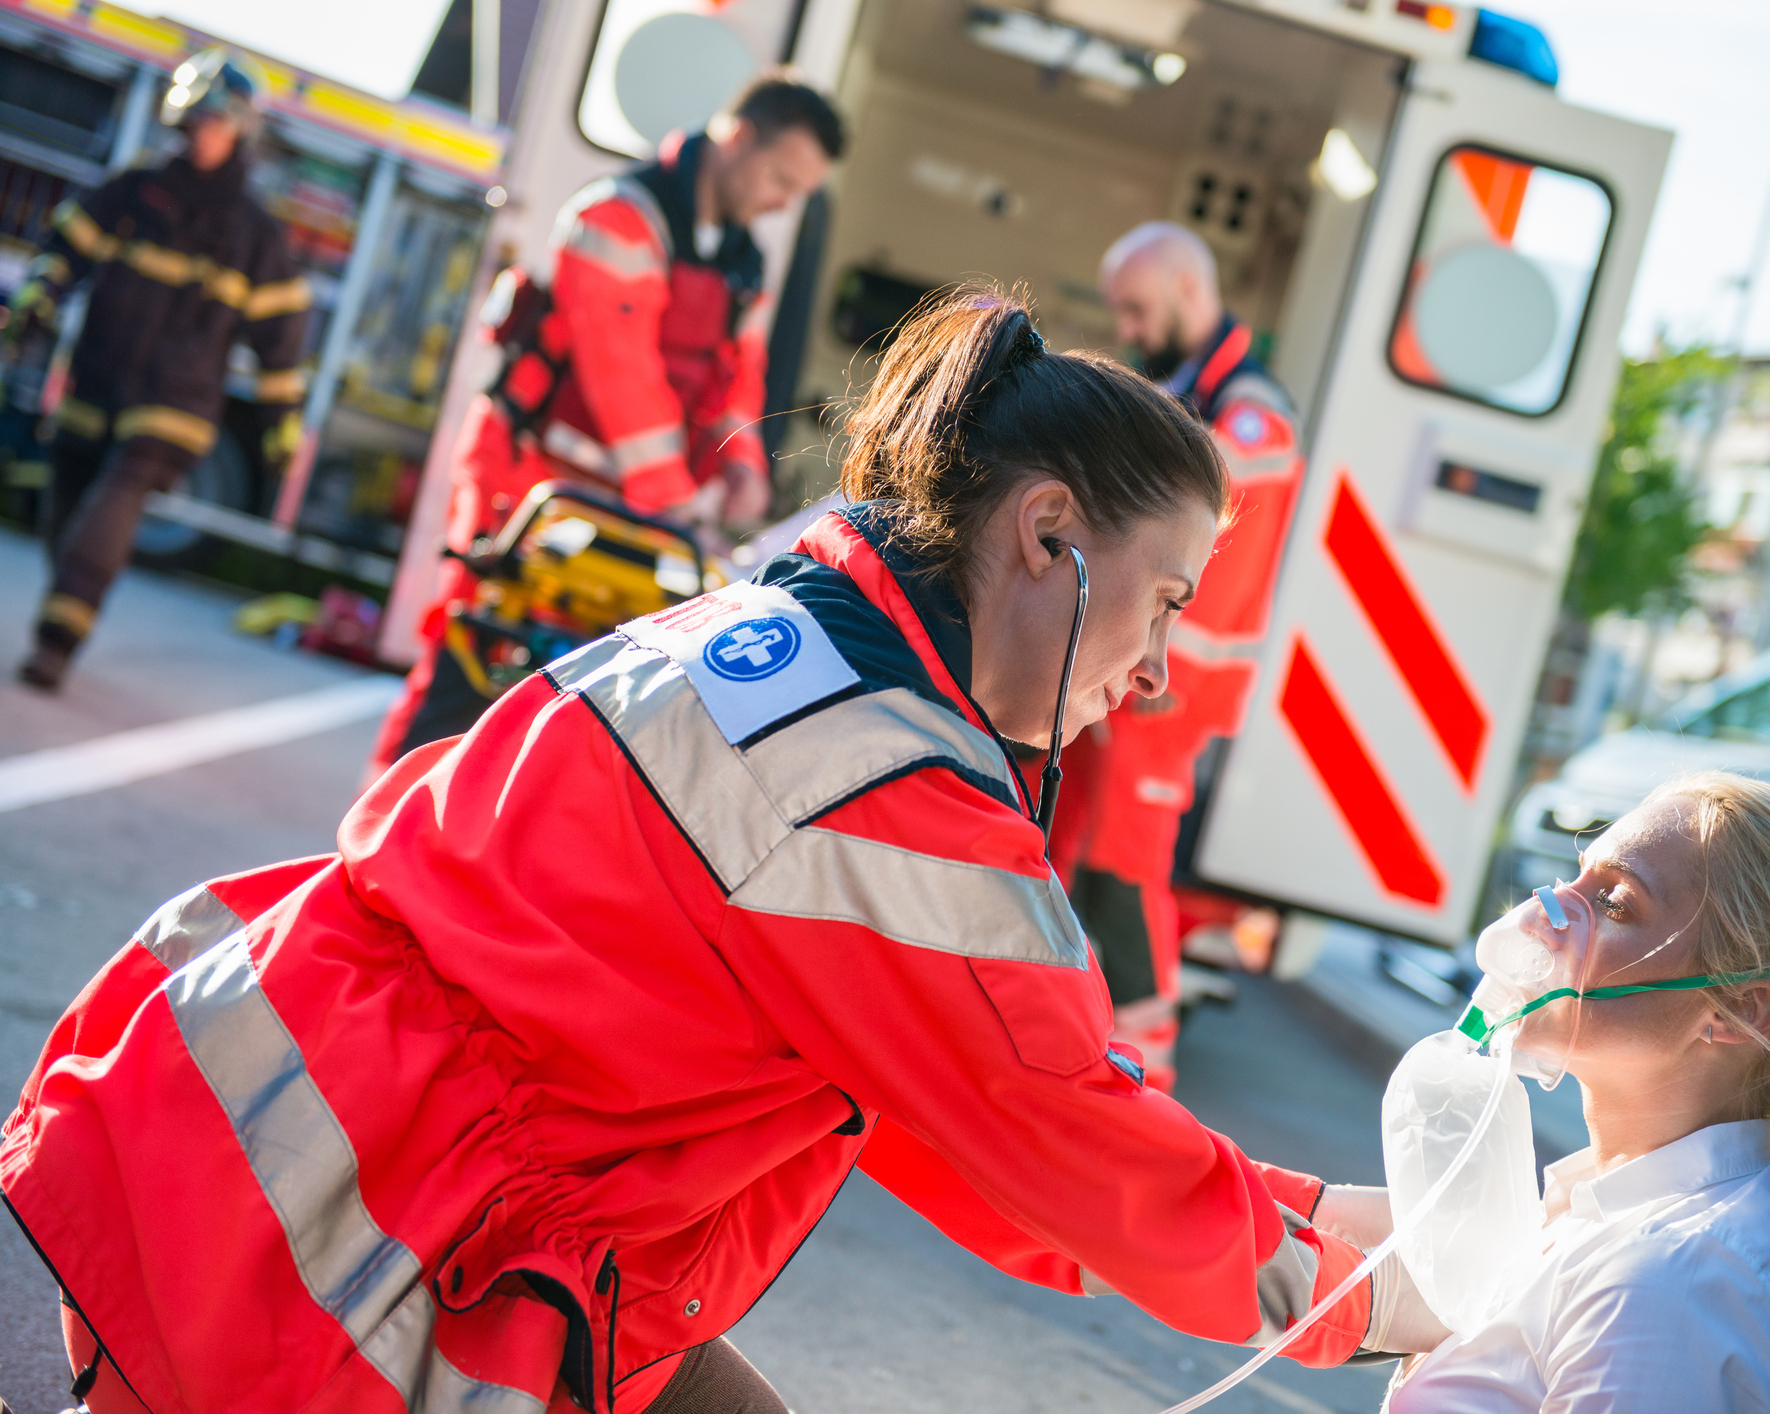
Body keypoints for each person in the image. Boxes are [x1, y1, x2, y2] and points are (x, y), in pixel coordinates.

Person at [2, 289, 1427, 1413]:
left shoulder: (795, 625)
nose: (1164, 667)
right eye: (1164, 599)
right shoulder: (893, 795)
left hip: (262, 1125)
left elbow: (994, 1129)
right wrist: (1396, 1296)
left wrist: (1345, 1219)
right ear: (1049, 530)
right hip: (370, 1244)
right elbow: (1075, 1142)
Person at [364, 73, 842, 776]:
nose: (783, 203)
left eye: (798, 192)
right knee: (473, 652)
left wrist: (742, 463)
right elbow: (621, 376)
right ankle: (389, 816)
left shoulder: (744, 261)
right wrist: (677, 504)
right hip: (528, 475)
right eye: (780, 179)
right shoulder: (617, 218)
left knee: (566, 691)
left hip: (620, 499)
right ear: (738, 138)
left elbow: (738, 372)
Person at [1384, 770, 1770, 1411]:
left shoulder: (1672, 1281)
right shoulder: (1608, 1204)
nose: (1545, 914)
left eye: (1614, 902)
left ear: (1739, 1010)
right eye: (1576, 878)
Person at [1048, 221, 1307, 1089]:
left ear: (1188, 290)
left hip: (1170, 686)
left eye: (1135, 308)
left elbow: (1211, 553)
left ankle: (1144, 1070)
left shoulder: (1250, 415)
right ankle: (1085, 1040)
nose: (1126, 327)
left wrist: (1156, 653)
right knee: (1081, 849)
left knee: (1122, 867)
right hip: (1143, 672)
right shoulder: (1198, 394)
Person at [7, 48, 310, 690]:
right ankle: (71, 599)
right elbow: (63, 254)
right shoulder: (131, 193)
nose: (206, 134)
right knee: (68, 513)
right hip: (97, 380)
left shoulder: (254, 234)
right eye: (199, 120)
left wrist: (283, 422)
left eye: (219, 124)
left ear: (239, 132)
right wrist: (36, 303)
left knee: (113, 505)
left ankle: (56, 645)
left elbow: (281, 341)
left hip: (177, 403)